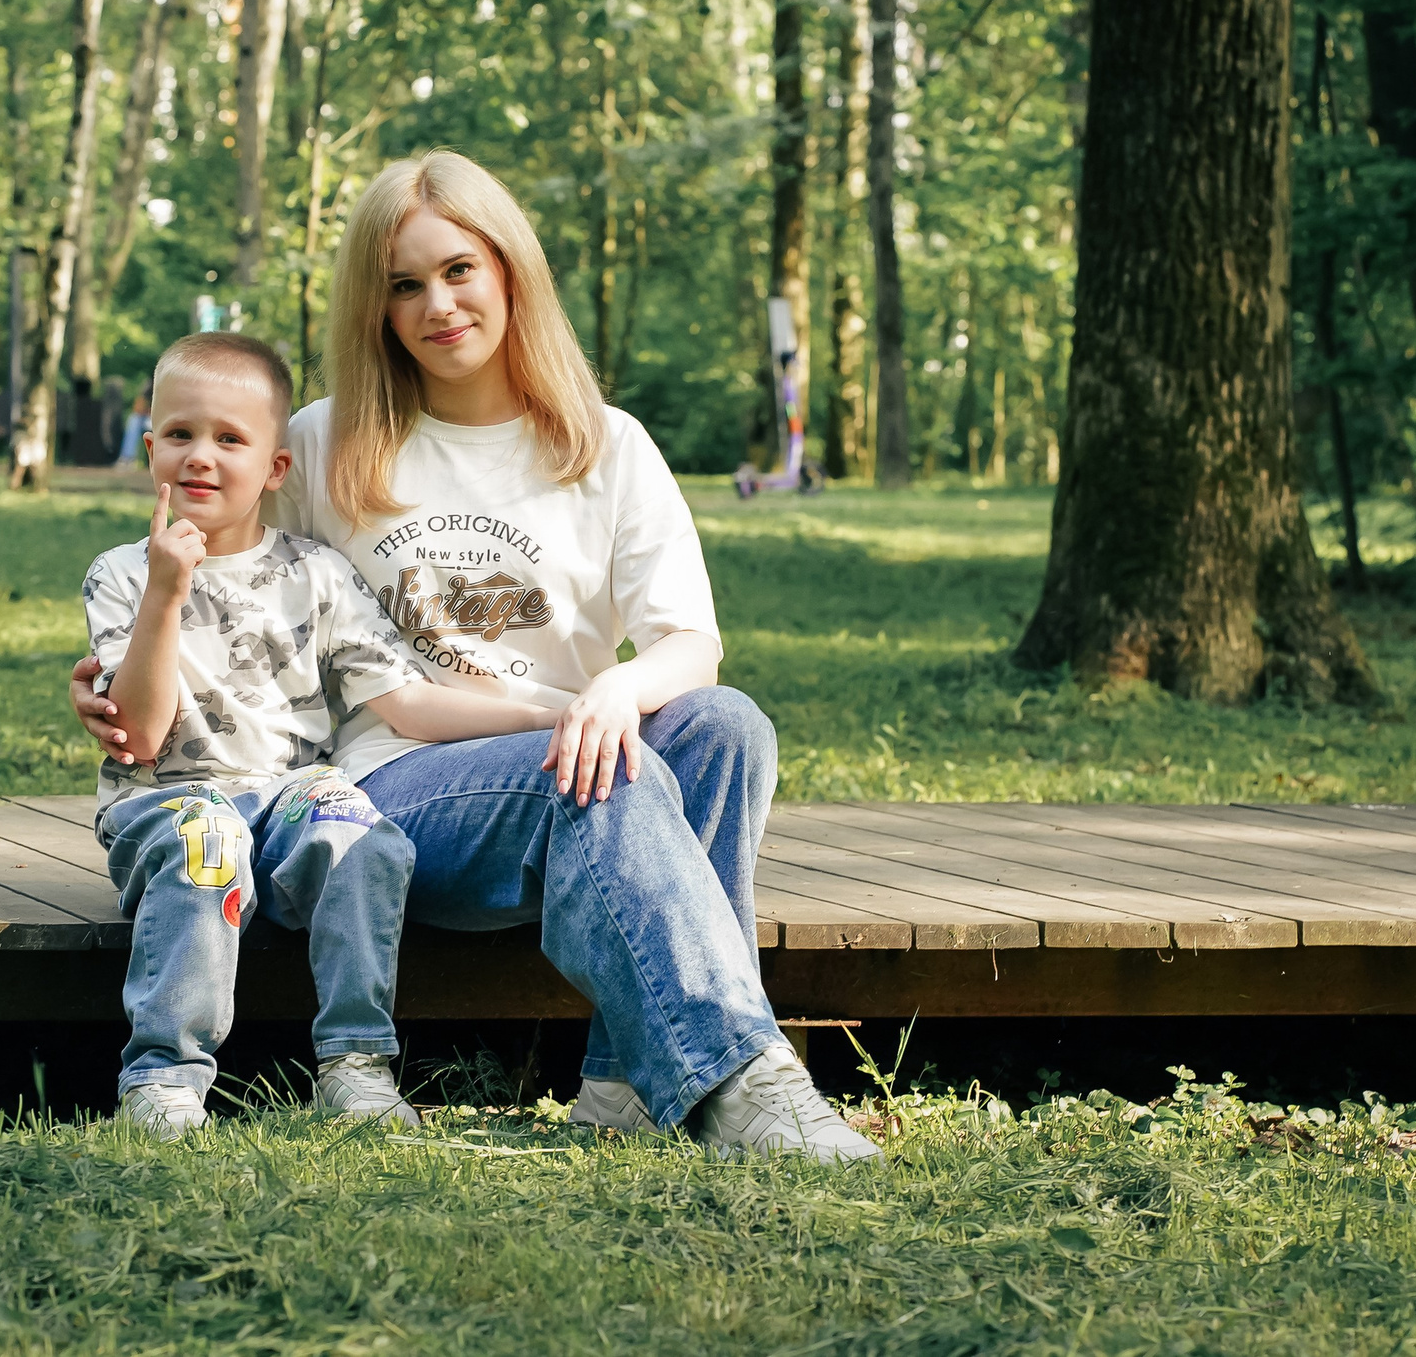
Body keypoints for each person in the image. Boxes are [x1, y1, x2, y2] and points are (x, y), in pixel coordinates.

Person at [72, 153, 878, 1163]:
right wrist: (122, 663)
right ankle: (746, 1086)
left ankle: (628, 1079)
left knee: (723, 726)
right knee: (597, 770)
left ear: (508, 269)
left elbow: (692, 643)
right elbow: (210, 539)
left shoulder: (605, 445)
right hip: (392, 790)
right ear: (375, 307)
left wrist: (616, 689)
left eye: (458, 270)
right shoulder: (328, 442)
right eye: (402, 285)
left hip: (569, 760)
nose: (436, 305)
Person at [84, 331, 560, 1140]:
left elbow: (407, 702)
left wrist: (549, 711)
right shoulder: (124, 573)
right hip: (166, 796)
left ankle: (356, 1062)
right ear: (151, 445)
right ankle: (164, 1074)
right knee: (206, 842)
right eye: (180, 434)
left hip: (287, 790)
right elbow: (137, 732)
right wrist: (169, 590)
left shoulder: (318, 572)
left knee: (363, 835)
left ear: (276, 467)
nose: (200, 456)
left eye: (230, 439)